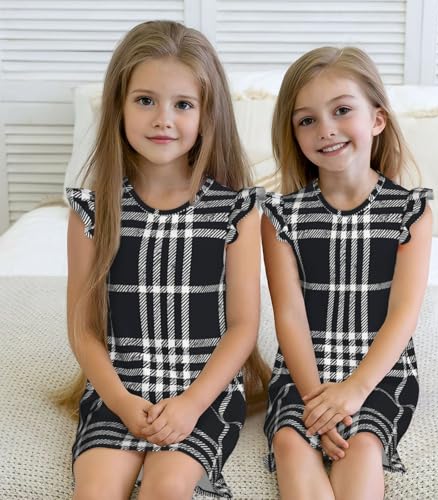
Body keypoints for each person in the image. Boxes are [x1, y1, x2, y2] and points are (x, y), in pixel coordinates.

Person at [61, 20, 269, 500]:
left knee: (168, 487)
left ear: (208, 114)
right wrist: (120, 401)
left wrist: (191, 404)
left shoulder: (235, 211)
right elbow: (84, 329)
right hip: (118, 392)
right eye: (145, 100)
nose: (163, 119)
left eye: (183, 104)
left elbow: (243, 327)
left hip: (203, 396)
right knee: (94, 490)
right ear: (119, 106)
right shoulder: (92, 211)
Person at [261, 46, 433, 500]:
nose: (326, 129)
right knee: (290, 444)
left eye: (341, 110)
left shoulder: (410, 211)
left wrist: (355, 390)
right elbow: (290, 316)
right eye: (307, 120)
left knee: (361, 449)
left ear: (377, 119)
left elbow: (403, 313)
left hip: (379, 374)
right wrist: (317, 402)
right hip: (303, 375)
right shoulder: (280, 217)